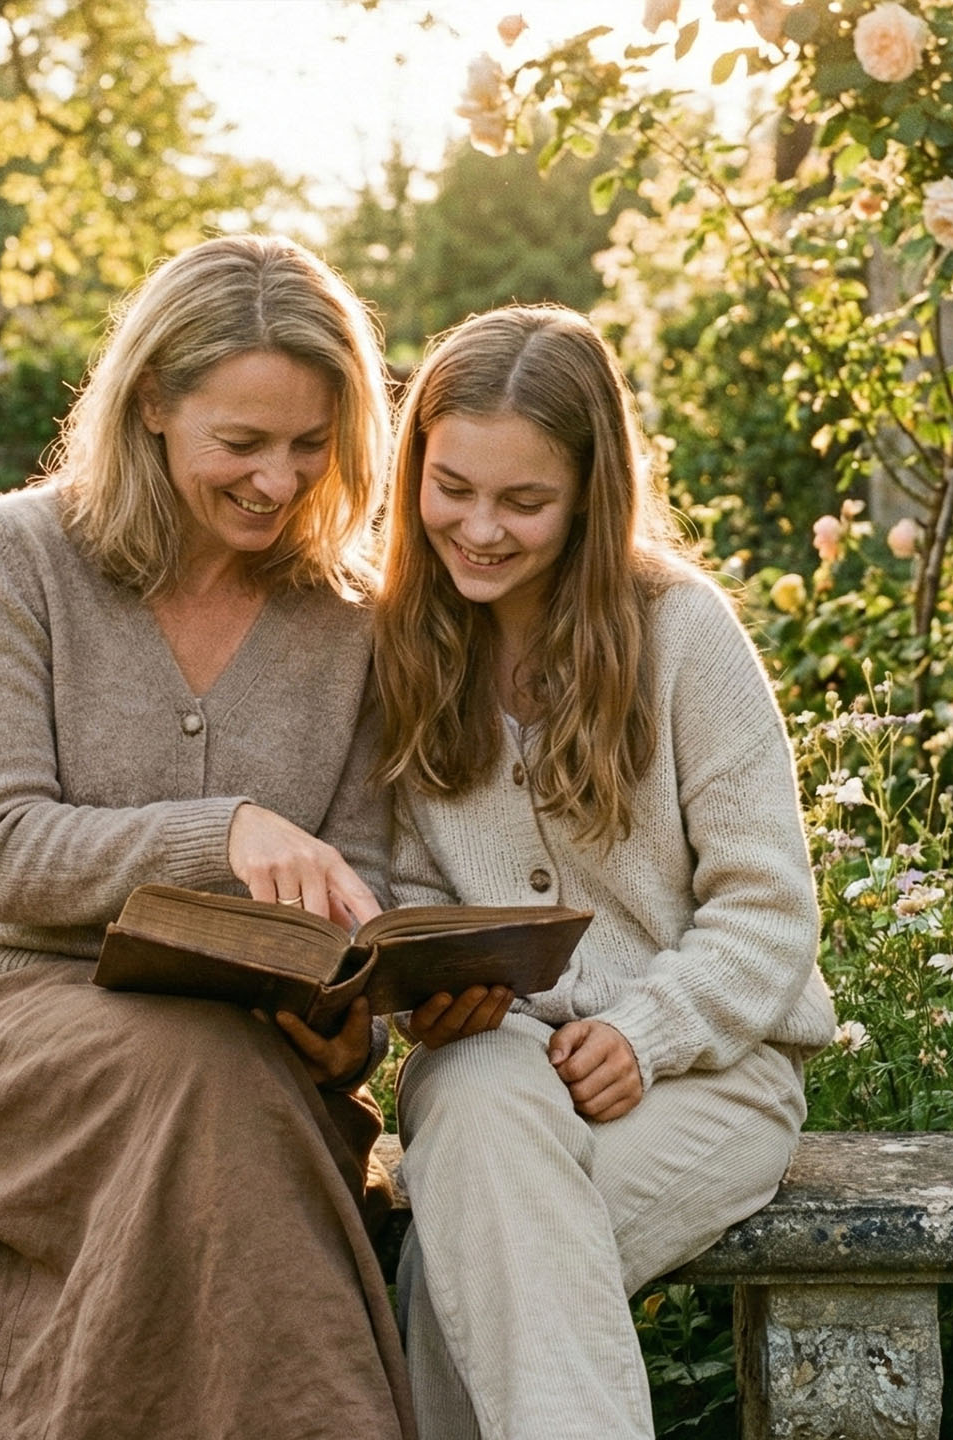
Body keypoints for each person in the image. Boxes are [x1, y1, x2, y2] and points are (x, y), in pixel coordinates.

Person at [0, 234, 491, 1440]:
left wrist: (348, 1024)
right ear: (154, 401)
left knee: (222, 1081)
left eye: (310, 445)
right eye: (242, 442)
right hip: (13, 1027)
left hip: (251, 1051)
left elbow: (355, 887)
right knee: (200, 1083)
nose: (278, 480)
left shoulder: (352, 619)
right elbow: (1, 849)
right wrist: (220, 833)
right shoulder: (17, 556)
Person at [373, 304, 839, 1440]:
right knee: (481, 1113)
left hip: (710, 1076)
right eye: (452, 488)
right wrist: (441, 976)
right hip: (485, 1059)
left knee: (456, 1279)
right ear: (413, 469)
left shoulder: (681, 633)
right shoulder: (399, 642)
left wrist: (646, 1029)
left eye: (523, 502)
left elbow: (769, 907)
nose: (478, 529)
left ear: (590, 495)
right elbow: (402, 884)